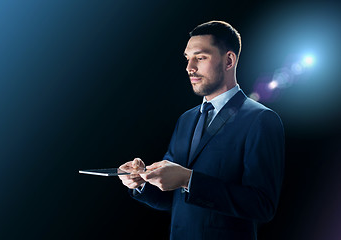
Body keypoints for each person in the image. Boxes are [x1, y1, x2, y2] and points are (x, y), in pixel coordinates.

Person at [118, 20, 284, 240]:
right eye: (187, 58)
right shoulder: (186, 120)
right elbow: (172, 197)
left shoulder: (261, 119)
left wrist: (189, 179)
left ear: (229, 60)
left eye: (200, 57)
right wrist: (141, 182)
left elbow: (262, 206)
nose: (190, 68)